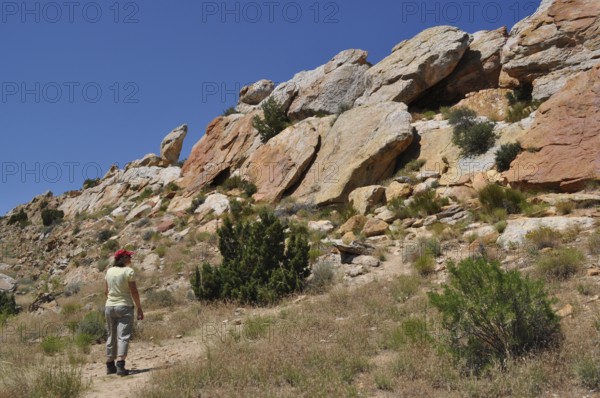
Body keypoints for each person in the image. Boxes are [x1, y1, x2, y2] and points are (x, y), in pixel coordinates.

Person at [104, 249, 144, 376]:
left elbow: (106, 291)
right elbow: (134, 292)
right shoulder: (129, 271)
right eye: (128, 256)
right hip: (125, 306)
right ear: (123, 259)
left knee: (111, 335)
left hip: (109, 307)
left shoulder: (109, 271)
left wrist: (112, 301)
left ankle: (110, 364)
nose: (130, 258)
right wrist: (139, 307)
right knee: (123, 336)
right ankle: (120, 365)